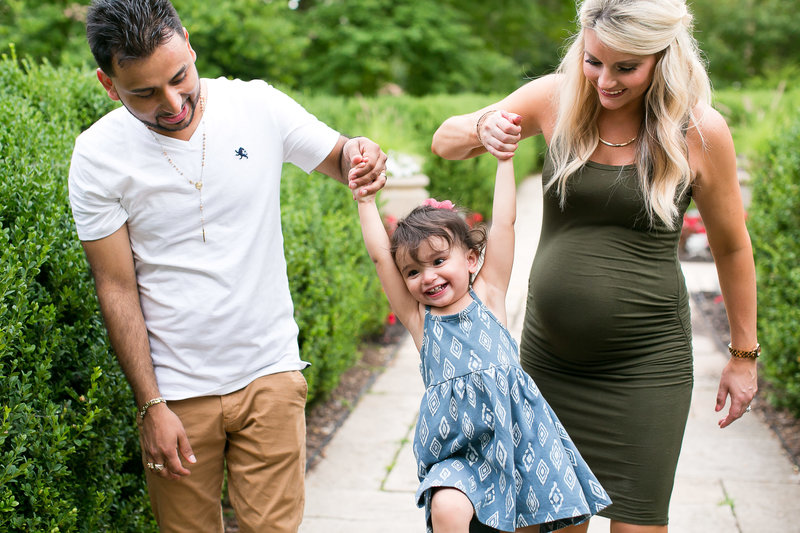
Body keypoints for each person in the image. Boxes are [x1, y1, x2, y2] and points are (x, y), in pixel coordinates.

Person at [429, 1, 759, 531]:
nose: (604, 80)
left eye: (625, 67)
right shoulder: (556, 99)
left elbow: (732, 247)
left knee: (639, 523)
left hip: (648, 367)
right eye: (592, 60)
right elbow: (444, 141)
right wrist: (483, 126)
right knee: (552, 524)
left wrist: (744, 355)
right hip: (549, 363)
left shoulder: (699, 130)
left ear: (662, 58)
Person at [67, 0, 387, 531]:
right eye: (144, 93)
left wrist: (363, 152)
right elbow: (116, 287)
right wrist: (151, 406)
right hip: (176, 394)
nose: (171, 103)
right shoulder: (97, 156)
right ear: (108, 84)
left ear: (189, 45)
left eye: (179, 77)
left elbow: (342, 156)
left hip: (270, 374)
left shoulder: (257, 105)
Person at [353, 128, 612, 533]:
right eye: (413, 271)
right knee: (448, 508)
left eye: (439, 261)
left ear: (472, 259)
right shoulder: (422, 322)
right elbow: (379, 258)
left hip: (522, 440)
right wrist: (366, 201)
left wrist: (504, 162)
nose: (428, 277)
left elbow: (505, 223)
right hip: (461, 453)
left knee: (549, 519)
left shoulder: (489, 296)